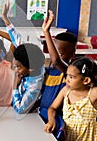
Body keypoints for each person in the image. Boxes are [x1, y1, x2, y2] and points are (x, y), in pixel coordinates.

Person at [44, 57, 97, 141]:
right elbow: (52, 108)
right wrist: (51, 120)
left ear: (86, 80)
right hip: (67, 136)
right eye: (67, 75)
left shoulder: (95, 92)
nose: (66, 79)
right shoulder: (66, 91)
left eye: (71, 77)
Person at [39, 10, 78, 138]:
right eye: (53, 50)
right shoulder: (49, 71)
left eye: (59, 52)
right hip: (41, 115)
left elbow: (56, 61)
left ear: (72, 55)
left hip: (57, 119)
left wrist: (46, 32)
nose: (53, 54)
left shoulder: (70, 73)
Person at [11, 43, 45, 114]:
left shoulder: (34, 86)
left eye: (18, 67)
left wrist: (15, 86)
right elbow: (16, 38)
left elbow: (20, 109)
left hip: (28, 119)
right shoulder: (33, 64)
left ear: (31, 68)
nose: (15, 71)